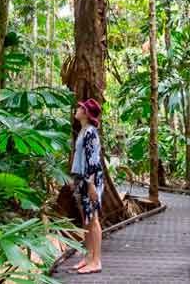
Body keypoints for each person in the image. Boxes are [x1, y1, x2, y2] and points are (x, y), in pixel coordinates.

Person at [70, 98, 104, 275]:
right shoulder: (83, 131)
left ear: (86, 113)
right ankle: (88, 256)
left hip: (91, 180)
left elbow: (93, 160)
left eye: (80, 107)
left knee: (94, 219)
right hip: (82, 179)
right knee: (86, 219)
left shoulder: (90, 132)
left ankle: (96, 261)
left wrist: (91, 185)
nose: (77, 109)